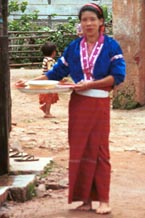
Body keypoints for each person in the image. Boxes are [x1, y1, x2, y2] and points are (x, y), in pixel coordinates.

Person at [16, 3, 126, 214]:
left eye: (92, 19)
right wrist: (28, 82)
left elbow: (118, 76)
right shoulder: (74, 47)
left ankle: (103, 199)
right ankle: (84, 199)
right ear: (81, 23)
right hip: (78, 104)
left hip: (99, 103)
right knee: (80, 148)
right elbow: (55, 73)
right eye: (84, 20)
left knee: (100, 149)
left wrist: (91, 84)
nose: (88, 23)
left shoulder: (112, 46)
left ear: (101, 22)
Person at [39, 41, 59, 118]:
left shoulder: (45, 59)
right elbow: (51, 70)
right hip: (48, 81)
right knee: (49, 96)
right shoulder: (50, 60)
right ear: (53, 52)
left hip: (45, 80)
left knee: (49, 95)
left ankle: (45, 107)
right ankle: (47, 112)